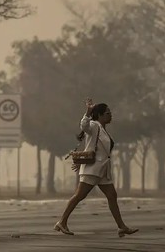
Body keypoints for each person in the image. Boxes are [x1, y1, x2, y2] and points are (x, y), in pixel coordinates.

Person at [54, 98, 138, 237]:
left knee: (112, 196)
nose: (110, 115)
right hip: (93, 168)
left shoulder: (103, 130)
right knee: (79, 195)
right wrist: (88, 112)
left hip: (103, 170)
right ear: (99, 115)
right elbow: (84, 125)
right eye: (107, 113)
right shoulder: (94, 126)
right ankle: (62, 222)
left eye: (110, 113)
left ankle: (121, 227)